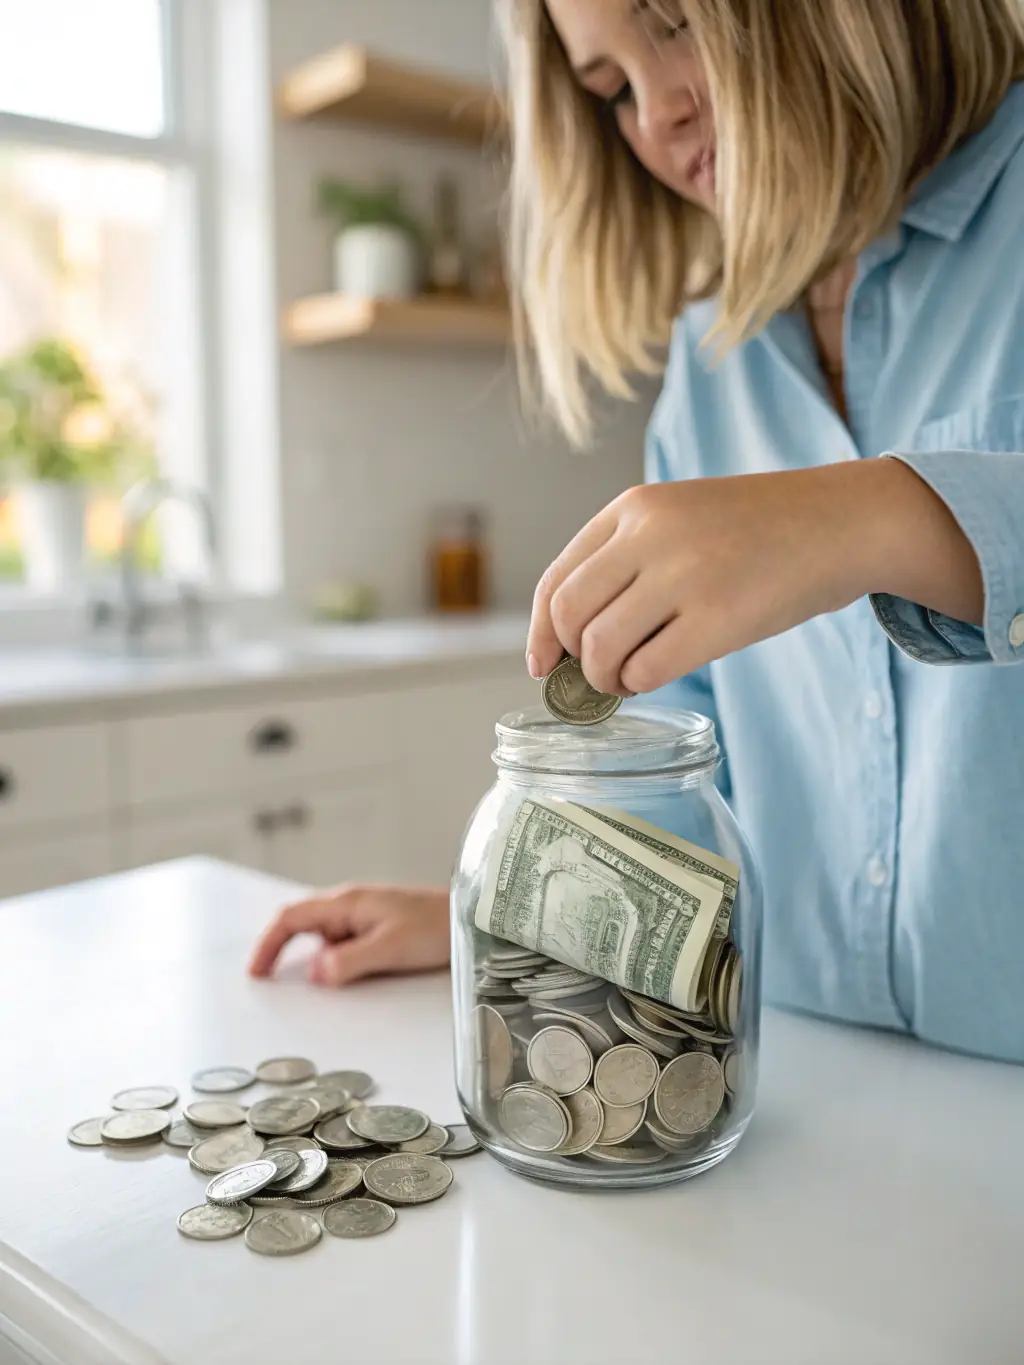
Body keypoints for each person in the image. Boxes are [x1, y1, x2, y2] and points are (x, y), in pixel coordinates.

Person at [251, 0, 1024, 1065]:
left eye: (673, 23)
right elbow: (684, 773)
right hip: (824, 1106)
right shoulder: (711, 370)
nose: (657, 112)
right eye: (608, 88)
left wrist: (874, 516)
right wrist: (496, 912)